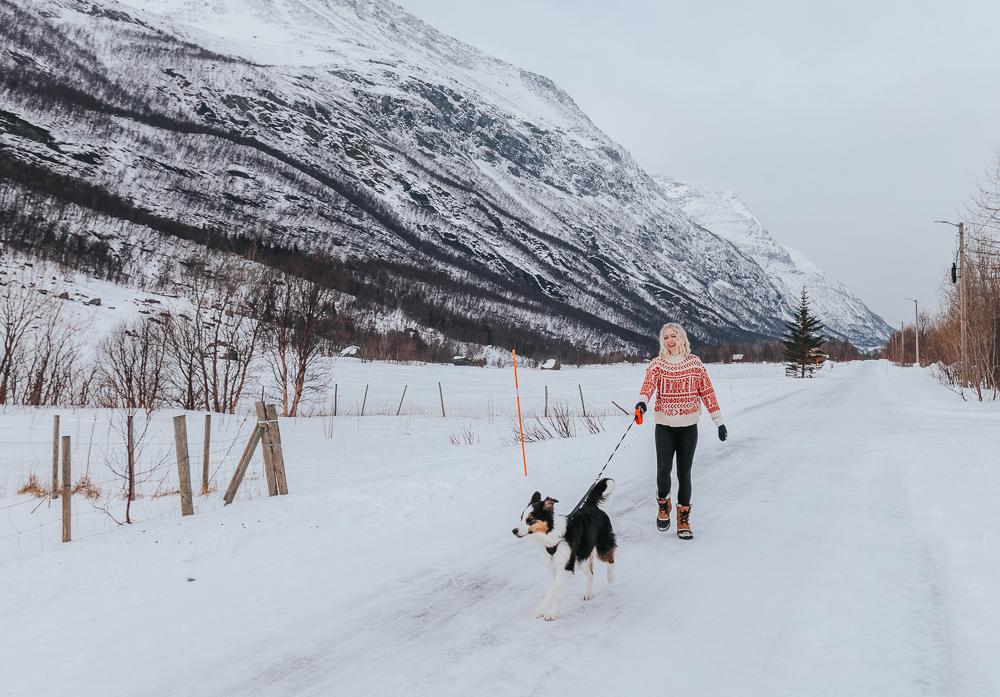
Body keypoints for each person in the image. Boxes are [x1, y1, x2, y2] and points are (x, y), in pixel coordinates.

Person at [635, 323, 727, 539]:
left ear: (681, 337)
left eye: (673, 335)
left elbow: (708, 392)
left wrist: (719, 421)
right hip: (664, 426)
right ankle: (663, 505)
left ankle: (683, 520)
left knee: (684, 474)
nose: (669, 340)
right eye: (665, 337)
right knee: (663, 471)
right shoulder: (657, 364)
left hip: (688, 427)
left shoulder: (695, 363)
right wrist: (641, 403)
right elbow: (647, 385)